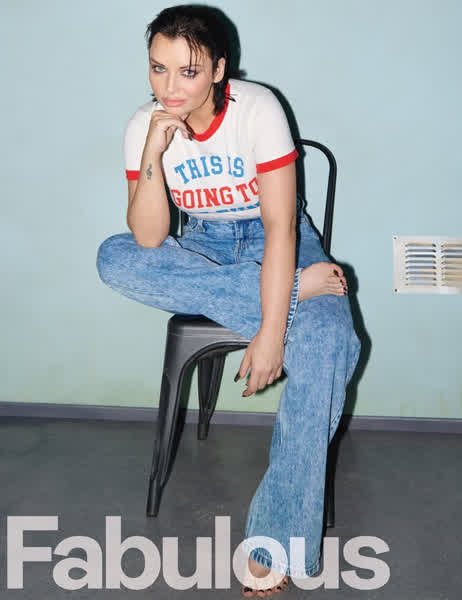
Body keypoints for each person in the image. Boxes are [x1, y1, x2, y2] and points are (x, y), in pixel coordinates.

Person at [96, 4, 361, 596]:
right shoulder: (144, 123)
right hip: (206, 245)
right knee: (113, 256)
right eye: (158, 69)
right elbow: (147, 240)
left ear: (218, 70)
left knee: (329, 340)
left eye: (188, 72)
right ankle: (296, 290)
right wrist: (152, 155)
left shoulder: (257, 108)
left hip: (275, 239)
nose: (170, 87)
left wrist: (270, 332)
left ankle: (274, 542)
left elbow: (281, 227)